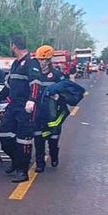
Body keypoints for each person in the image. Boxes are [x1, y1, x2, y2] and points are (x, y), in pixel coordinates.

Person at [0, 35, 44, 183]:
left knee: (23, 141)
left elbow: (36, 83)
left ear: (13, 46)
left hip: (25, 108)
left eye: (11, 46)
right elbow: (9, 86)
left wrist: (32, 100)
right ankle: (16, 161)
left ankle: (22, 171)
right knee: (5, 137)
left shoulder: (31, 63)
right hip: (13, 107)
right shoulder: (16, 64)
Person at [31, 45, 65, 173]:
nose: (40, 62)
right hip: (38, 112)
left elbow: (65, 91)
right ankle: (40, 163)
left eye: (43, 60)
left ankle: (54, 155)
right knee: (38, 137)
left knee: (53, 139)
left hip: (53, 113)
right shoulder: (34, 74)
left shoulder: (57, 75)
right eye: (39, 60)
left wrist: (58, 96)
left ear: (49, 60)